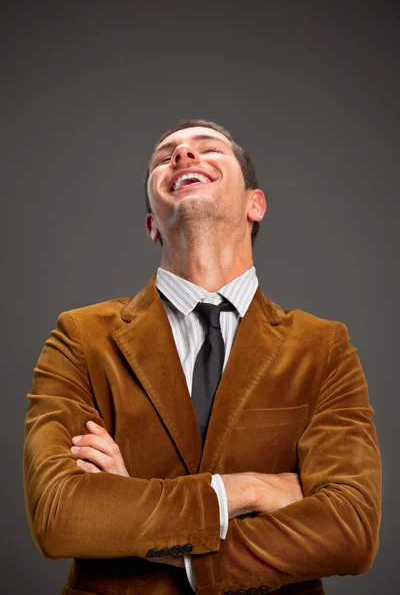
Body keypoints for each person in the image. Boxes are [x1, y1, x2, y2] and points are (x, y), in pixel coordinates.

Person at [23, 119, 382, 595]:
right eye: (164, 156)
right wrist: (250, 489)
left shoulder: (324, 348)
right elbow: (60, 514)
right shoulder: (79, 337)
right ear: (152, 223)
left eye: (208, 149)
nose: (183, 156)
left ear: (256, 203)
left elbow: (351, 530)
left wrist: (135, 514)